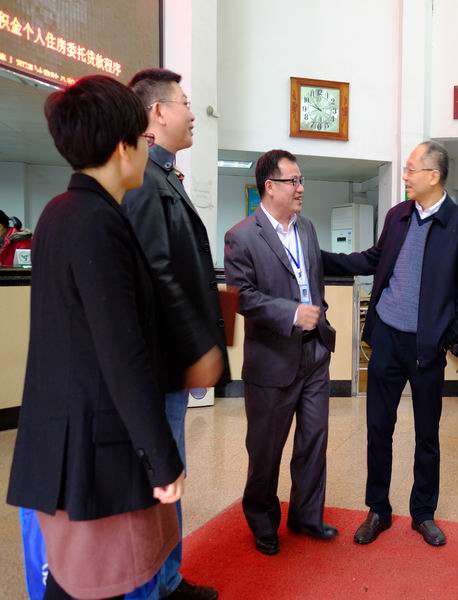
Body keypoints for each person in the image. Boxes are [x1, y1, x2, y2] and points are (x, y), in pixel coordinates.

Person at [6, 75, 185, 599]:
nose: (148, 150)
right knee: (93, 584)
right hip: (90, 447)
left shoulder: (62, 212)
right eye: (144, 139)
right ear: (122, 146)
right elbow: (121, 353)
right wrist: (162, 457)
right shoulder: (96, 221)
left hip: (67, 436)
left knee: (76, 583)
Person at [322, 140, 458, 547]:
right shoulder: (397, 216)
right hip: (388, 338)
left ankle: (423, 513)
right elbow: (373, 259)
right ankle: (378, 508)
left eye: (412, 169)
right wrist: (320, 256)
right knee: (379, 427)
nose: (406, 176)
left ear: (434, 175)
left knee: (427, 434)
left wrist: (446, 336)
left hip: (427, 347)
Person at [123, 68, 228, 600]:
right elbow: (156, 274)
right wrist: (196, 347)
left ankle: (167, 580)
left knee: (171, 473)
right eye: (184, 102)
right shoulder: (145, 179)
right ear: (158, 113)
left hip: (170, 362)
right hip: (162, 364)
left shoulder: (163, 176)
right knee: (162, 477)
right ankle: (158, 586)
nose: (192, 113)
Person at [224, 149, 337, 557]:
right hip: (272, 359)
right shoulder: (242, 236)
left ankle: (306, 515)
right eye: (294, 181)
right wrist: (291, 313)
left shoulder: (306, 229)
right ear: (270, 186)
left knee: (313, 441)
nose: (301, 188)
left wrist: (319, 317)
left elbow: (313, 280)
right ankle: (262, 520)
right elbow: (241, 296)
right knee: (266, 449)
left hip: (314, 353)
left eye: (301, 180)